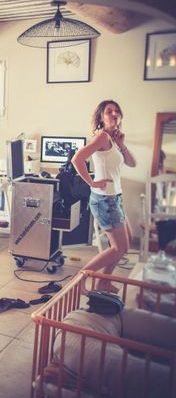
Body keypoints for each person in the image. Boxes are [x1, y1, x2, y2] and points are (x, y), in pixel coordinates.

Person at [72, 99, 137, 292]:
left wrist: (121, 144)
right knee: (118, 247)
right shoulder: (101, 137)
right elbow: (77, 159)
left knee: (128, 242)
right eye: (109, 111)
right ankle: (80, 279)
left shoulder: (113, 139)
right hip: (105, 200)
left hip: (115, 197)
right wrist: (91, 182)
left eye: (117, 111)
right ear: (101, 116)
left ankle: (103, 281)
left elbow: (132, 163)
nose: (114, 114)